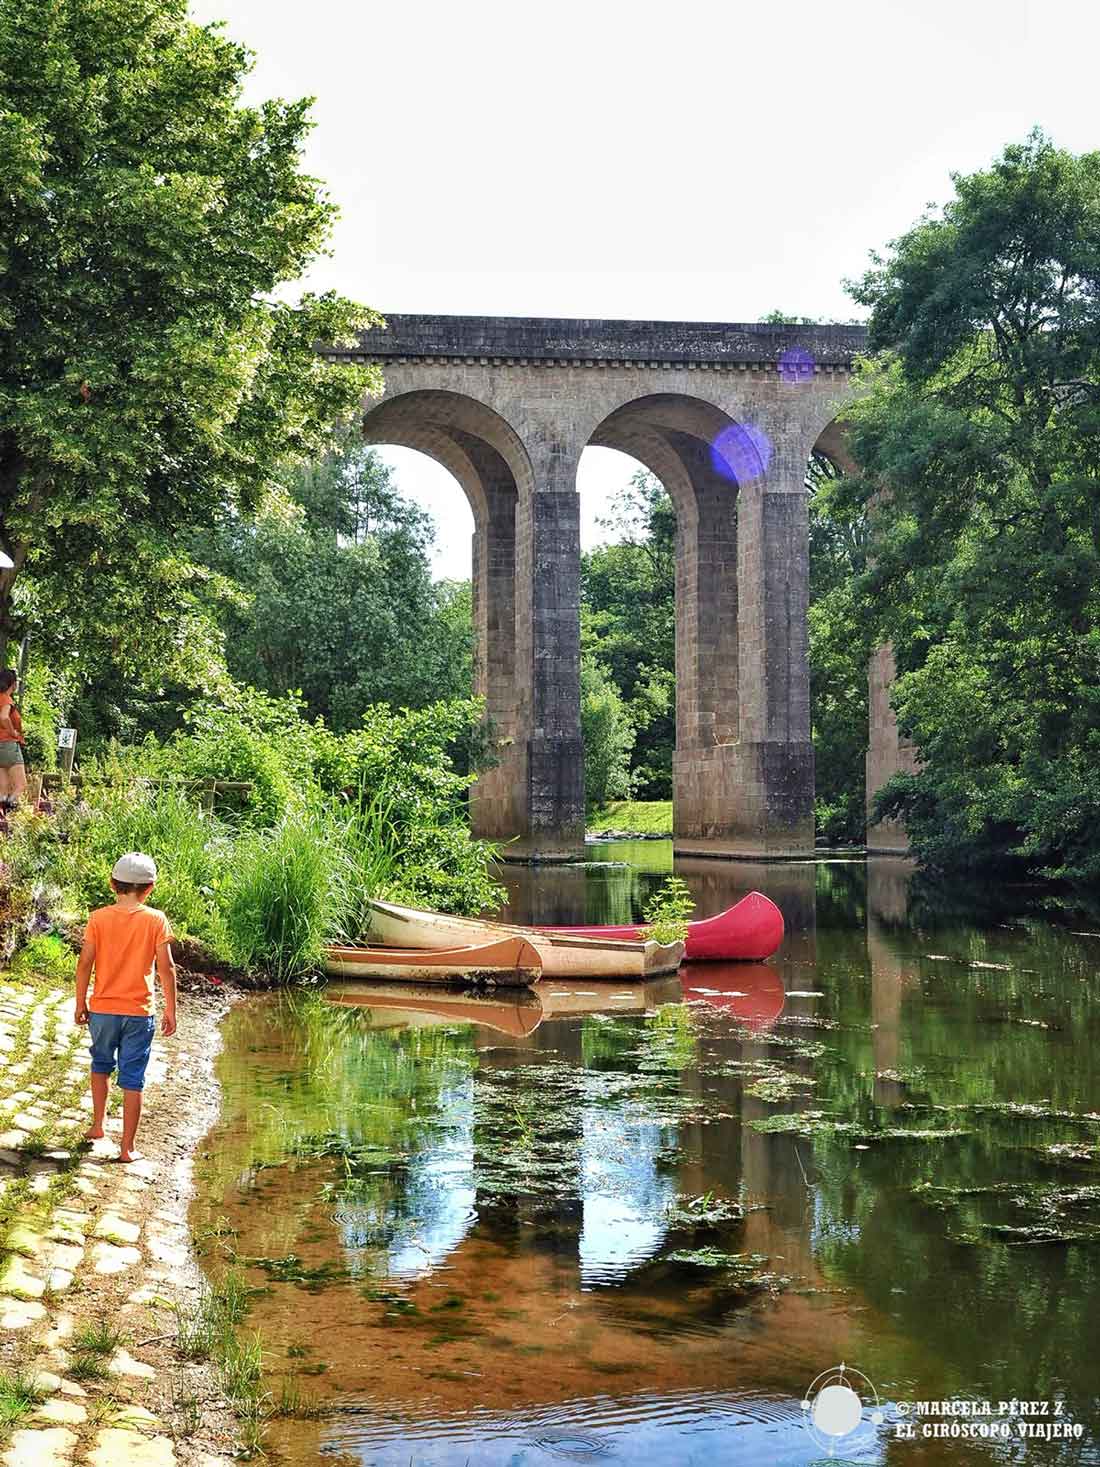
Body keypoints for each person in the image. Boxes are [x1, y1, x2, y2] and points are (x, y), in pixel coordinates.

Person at [74, 851, 178, 1163]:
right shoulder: (156, 919)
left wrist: (81, 1002)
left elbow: (84, 965)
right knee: (133, 1078)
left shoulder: (98, 918)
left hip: (103, 1010)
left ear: (112, 884)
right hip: (139, 1012)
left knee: (100, 1064)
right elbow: (167, 969)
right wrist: (171, 1009)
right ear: (150, 888)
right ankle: (127, 1148)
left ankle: (97, 1126)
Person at [0, 668, 27, 810]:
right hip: (8, 745)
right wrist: (13, 733)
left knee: (3, 791)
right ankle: (10, 817)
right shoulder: (6, 699)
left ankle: (2, 821)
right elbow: (4, 717)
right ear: (12, 684)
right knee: (20, 786)